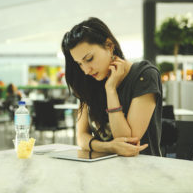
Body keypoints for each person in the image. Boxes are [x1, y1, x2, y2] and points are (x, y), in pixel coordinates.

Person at [61, 17, 162, 156]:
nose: (86, 70)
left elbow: (128, 142)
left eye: (89, 59)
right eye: (80, 64)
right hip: (101, 168)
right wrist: (109, 147)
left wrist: (111, 90)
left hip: (142, 169)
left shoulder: (144, 75)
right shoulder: (89, 81)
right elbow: (81, 137)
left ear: (109, 45)